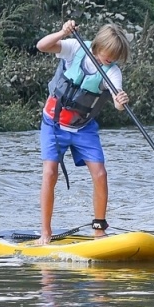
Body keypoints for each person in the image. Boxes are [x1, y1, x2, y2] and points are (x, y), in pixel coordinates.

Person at [35, 20, 130, 244]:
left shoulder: (112, 72)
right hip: (54, 124)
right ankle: (45, 233)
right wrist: (62, 32)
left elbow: (117, 100)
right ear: (100, 44)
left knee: (100, 174)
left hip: (83, 128)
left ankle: (99, 229)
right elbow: (42, 46)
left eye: (117, 56)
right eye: (110, 53)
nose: (112, 59)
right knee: (50, 173)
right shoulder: (77, 48)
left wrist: (120, 101)